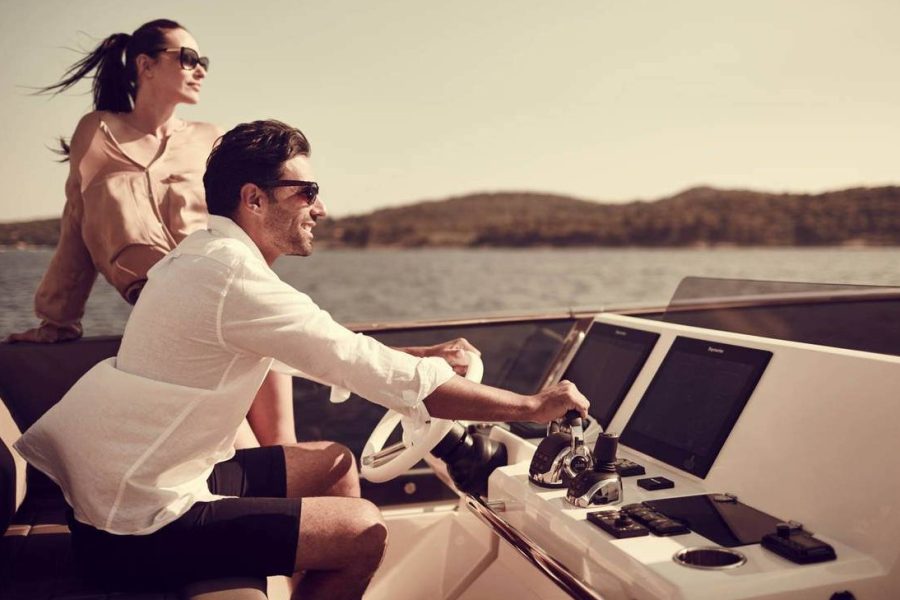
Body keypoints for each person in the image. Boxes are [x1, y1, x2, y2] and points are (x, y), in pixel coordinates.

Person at [13, 119, 590, 599]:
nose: (321, 208)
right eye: (306, 192)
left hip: (143, 483)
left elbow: (325, 350)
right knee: (363, 530)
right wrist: (531, 406)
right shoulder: (233, 277)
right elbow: (366, 366)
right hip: (136, 525)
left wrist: (421, 354)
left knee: (334, 463)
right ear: (254, 199)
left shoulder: (204, 254)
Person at [4, 19, 292, 449]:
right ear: (146, 65)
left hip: (241, 295)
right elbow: (78, 221)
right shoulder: (97, 132)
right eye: (188, 58)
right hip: (174, 316)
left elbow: (252, 221)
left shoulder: (211, 139)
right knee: (241, 450)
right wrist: (58, 318)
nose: (201, 69)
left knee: (282, 446)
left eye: (203, 60)